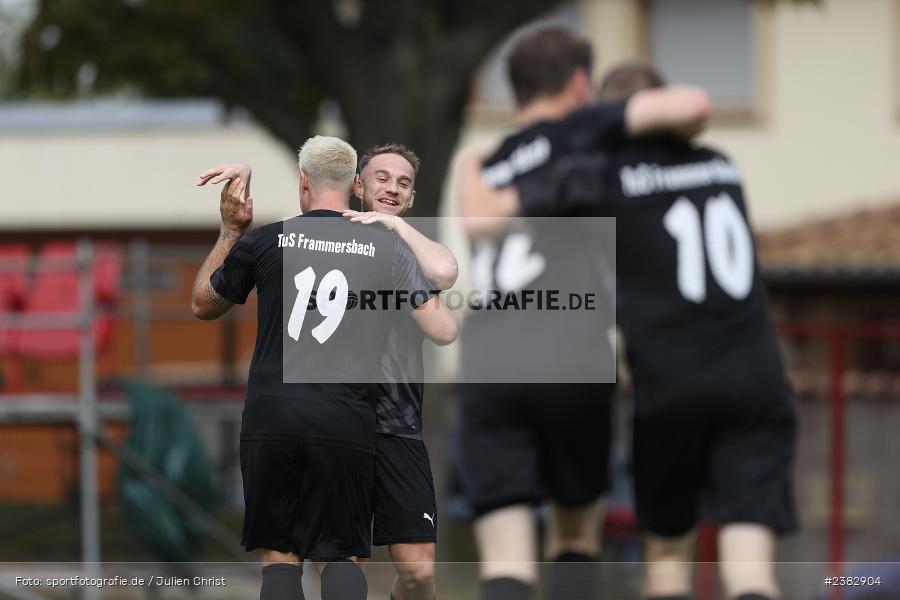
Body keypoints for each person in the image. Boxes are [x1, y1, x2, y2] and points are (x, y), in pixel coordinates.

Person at [479, 62, 797, 600]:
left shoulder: (602, 179)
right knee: (750, 572)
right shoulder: (721, 165)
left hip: (671, 387)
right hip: (756, 380)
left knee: (668, 557)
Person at [452, 28, 710, 600]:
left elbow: (477, 222)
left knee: (505, 554)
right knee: (574, 534)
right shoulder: (588, 143)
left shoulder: (483, 162)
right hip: (571, 355)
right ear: (578, 84)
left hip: (488, 364)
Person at [192, 135, 457, 600]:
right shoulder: (384, 250)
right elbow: (444, 327)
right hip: (345, 417)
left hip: (278, 415)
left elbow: (203, 304)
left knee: (281, 558)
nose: (392, 188)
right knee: (340, 557)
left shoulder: (268, 239)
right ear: (356, 185)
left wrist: (231, 230)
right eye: (381, 178)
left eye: (403, 183)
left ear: (303, 182)